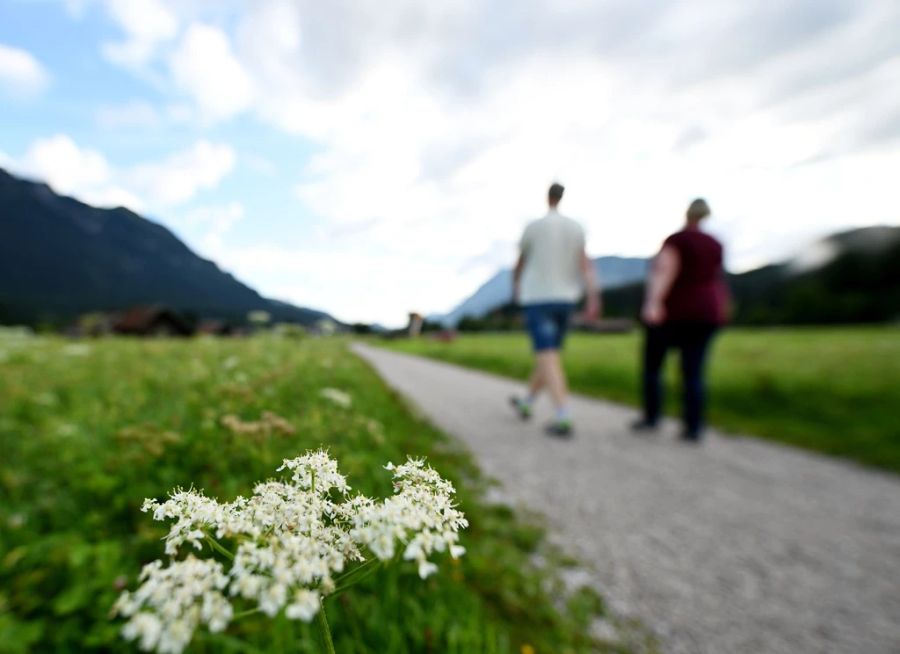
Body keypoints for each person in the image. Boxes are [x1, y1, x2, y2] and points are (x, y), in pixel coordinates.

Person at [632, 198, 729, 442]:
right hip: (707, 311)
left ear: (687, 214)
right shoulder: (715, 244)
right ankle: (693, 427)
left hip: (674, 311)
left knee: (653, 367)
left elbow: (665, 270)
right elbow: (716, 277)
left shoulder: (677, 240)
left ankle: (652, 417)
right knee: (694, 372)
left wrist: (652, 303)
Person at [510, 182, 600, 437]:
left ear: (547, 196)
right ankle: (527, 401)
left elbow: (520, 262)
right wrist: (593, 296)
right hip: (566, 299)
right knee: (549, 356)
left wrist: (515, 286)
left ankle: (563, 415)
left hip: (538, 297)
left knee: (547, 355)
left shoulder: (534, 226)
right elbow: (585, 264)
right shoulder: (576, 227)